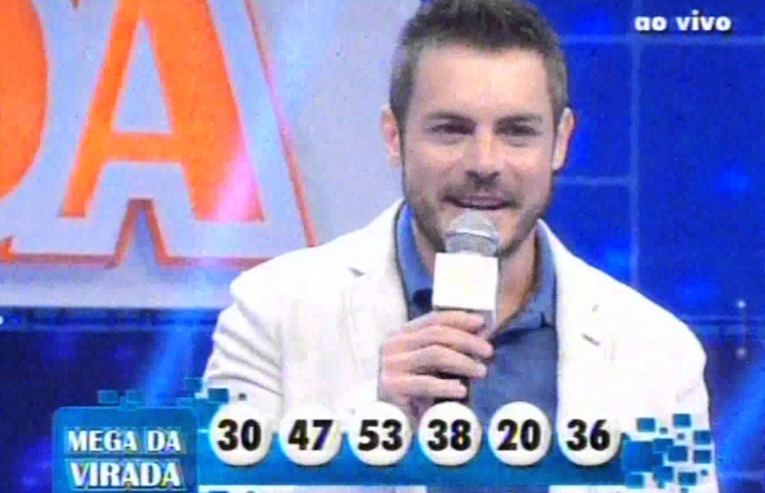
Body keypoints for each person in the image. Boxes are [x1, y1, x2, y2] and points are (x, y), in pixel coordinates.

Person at [204, 0, 718, 491]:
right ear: (394, 137)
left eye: (517, 132)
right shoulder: (270, 315)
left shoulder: (660, 355)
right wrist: (371, 425)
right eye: (451, 130)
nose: (484, 163)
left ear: (561, 141)